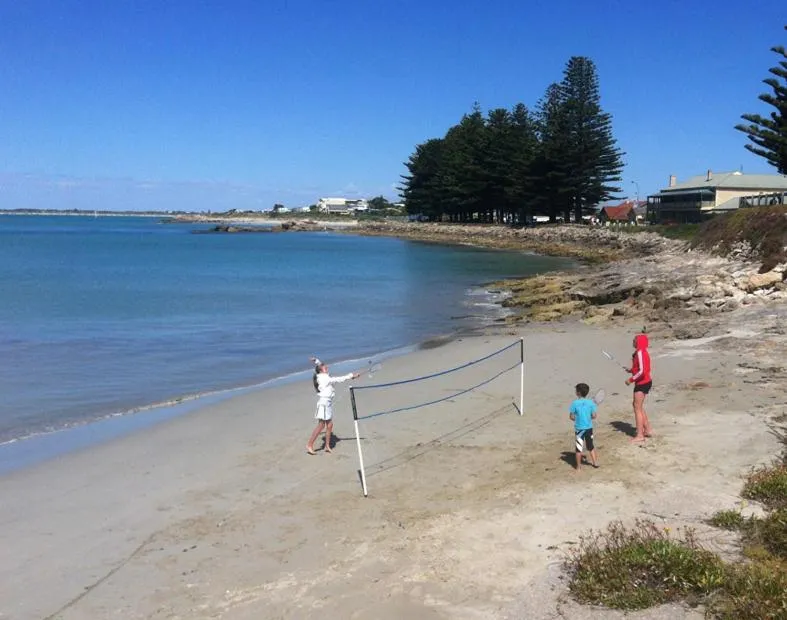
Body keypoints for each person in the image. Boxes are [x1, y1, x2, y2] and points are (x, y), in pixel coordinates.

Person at [306, 357, 360, 455]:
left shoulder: (323, 375)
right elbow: (338, 379)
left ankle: (327, 446)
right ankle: (309, 445)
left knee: (330, 425)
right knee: (321, 425)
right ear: (321, 370)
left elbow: (320, 366)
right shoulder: (324, 378)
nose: (327, 367)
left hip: (328, 404)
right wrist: (351, 375)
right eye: (324, 367)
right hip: (323, 404)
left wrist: (316, 360)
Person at [625, 333, 653, 442]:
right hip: (644, 381)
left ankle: (640, 435)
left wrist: (630, 380)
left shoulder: (641, 352)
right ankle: (648, 429)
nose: (633, 341)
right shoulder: (639, 352)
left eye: (634, 340)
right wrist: (631, 370)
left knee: (637, 407)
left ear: (639, 342)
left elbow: (642, 371)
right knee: (638, 406)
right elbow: (639, 368)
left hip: (643, 382)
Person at [569, 383, 599, 472]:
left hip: (579, 429)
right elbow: (594, 416)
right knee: (591, 446)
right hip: (589, 428)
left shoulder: (574, 403)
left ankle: (578, 467)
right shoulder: (591, 403)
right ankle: (595, 463)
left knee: (579, 448)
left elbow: (571, 417)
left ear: (578, 392)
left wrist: (576, 418)